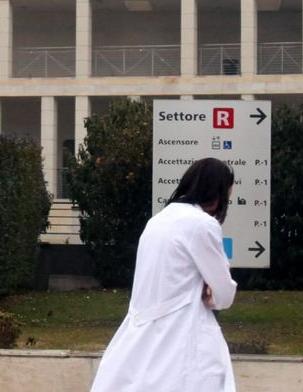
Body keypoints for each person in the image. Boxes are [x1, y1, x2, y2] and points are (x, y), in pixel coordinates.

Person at [89, 158, 239, 392]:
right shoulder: (202, 225)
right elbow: (224, 292)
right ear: (216, 193)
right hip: (183, 337)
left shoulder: (157, 221)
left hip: (141, 339)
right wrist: (210, 295)